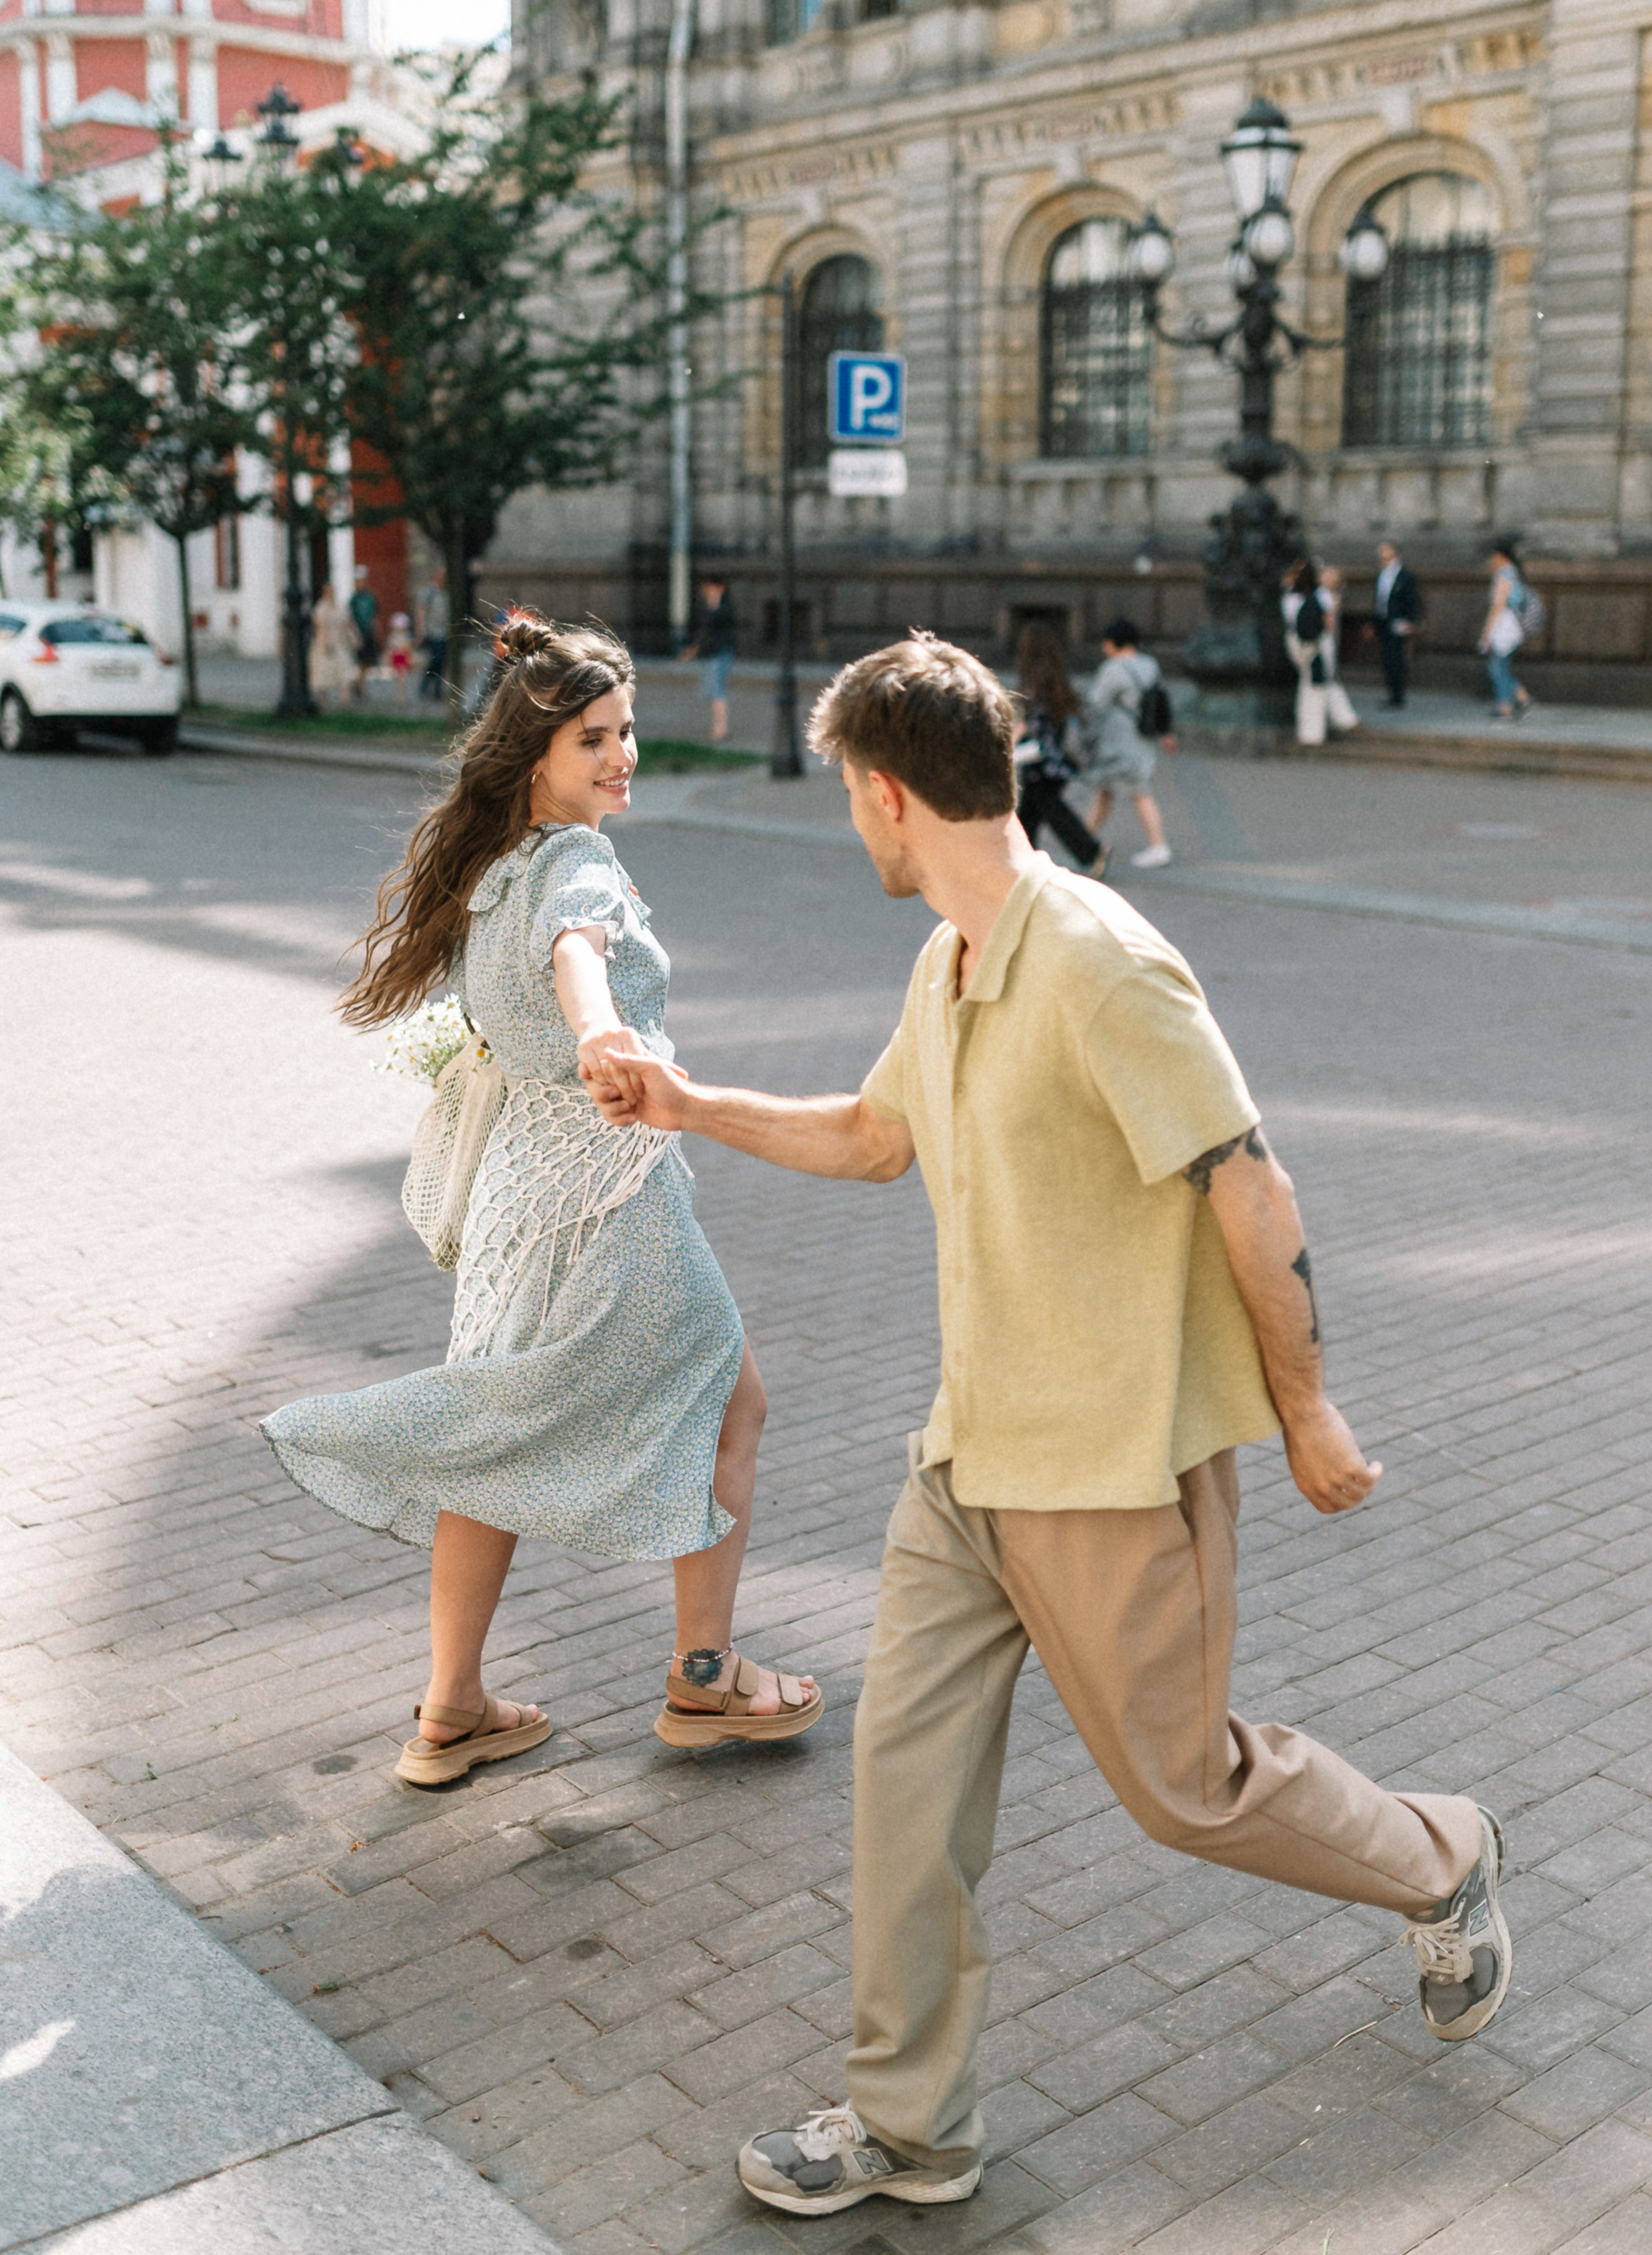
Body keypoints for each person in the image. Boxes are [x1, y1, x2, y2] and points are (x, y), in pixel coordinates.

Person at [589, 634, 1511, 2225]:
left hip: (1105, 1470)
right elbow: (880, 1133)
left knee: (1184, 1786)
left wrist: (1302, 1406)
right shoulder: (949, 956)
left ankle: (1437, 1852)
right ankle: (908, 2122)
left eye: (847, 801)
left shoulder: (1096, 958)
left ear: (886, 794)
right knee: (903, 1785)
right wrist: (690, 1100)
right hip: (963, 1461)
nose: (851, 827)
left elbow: (1247, 1178)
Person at [261, 618, 821, 1786]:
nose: (624, 758)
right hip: (611, 1185)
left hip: (520, 1194)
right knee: (731, 1404)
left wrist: (578, 1028)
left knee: (495, 1429)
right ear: (536, 756)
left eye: (626, 734)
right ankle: (706, 1680)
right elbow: (582, 949)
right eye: (596, 740)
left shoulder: (487, 872)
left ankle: (452, 1708)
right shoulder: (576, 865)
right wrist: (602, 1026)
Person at [1082, 616, 1175, 869]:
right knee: (1107, 790)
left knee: (1137, 792)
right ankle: (1082, 841)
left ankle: (1159, 847)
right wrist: (1167, 732)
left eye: (1106, 642)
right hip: (1144, 737)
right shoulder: (1150, 664)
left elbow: (1097, 703)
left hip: (1119, 740)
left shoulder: (1112, 670)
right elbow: (1160, 699)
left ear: (1113, 643)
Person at [1011, 622, 1103, 873]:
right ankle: (1022, 862)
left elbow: (1033, 726)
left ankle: (1092, 851)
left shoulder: (1033, 683)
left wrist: (1014, 740)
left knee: (1049, 810)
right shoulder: (1056, 677)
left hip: (1041, 761)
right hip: (1059, 759)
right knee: (1031, 812)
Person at [1282, 556, 1360, 747]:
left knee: (1317, 682)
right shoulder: (1320, 595)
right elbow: (1330, 623)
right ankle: (1313, 733)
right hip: (1315, 643)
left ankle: (1345, 719)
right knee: (1316, 685)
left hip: (1297, 641)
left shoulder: (1290, 594)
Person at [1480, 537, 1534, 720]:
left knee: (1497, 668)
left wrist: (1486, 634)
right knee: (1500, 667)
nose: (1491, 560)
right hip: (1511, 625)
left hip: (1504, 626)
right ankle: (1520, 698)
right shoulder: (1513, 573)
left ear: (1501, 557)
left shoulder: (1504, 575)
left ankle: (1506, 706)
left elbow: (1498, 606)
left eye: (1493, 556)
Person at [680, 576, 737, 743]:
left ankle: (721, 729)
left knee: (717, 691)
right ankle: (718, 727)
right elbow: (704, 632)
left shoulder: (722, 608)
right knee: (714, 692)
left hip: (719, 654)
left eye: (710, 588)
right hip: (712, 654)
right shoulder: (708, 608)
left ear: (719, 588)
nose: (706, 592)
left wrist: (692, 651)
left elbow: (712, 630)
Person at [1371, 538, 1422, 708]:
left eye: (1385, 550)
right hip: (1383, 621)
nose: (1382, 554)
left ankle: (1398, 696)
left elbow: (1413, 600)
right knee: (1387, 659)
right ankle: (1391, 693)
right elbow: (1379, 600)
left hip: (1399, 622)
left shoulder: (1405, 575)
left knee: (1396, 659)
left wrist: (1412, 621)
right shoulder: (1382, 574)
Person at [307, 582, 355, 711]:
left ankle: (345, 702)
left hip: (340, 643)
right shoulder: (321, 608)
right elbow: (319, 627)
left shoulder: (340, 607)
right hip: (325, 643)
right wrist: (324, 643)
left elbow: (347, 623)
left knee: (344, 671)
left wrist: (354, 638)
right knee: (323, 675)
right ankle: (320, 702)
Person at [348, 565, 380, 705]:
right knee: (361, 661)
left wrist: (378, 632)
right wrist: (355, 636)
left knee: (368, 662)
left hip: (369, 633)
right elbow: (351, 619)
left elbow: (374, 617)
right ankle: (361, 687)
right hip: (359, 634)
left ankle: (359, 684)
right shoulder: (354, 599)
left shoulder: (370, 597)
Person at [416, 565, 450, 700]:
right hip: (433, 632)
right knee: (436, 659)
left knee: (442, 661)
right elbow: (421, 611)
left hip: (445, 632)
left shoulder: (447, 593)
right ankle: (427, 682)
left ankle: (437, 689)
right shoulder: (429, 593)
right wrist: (421, 630)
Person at [386, 609, 414, 705]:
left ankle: (400, 693)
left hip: (403, 656)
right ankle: (398, 693)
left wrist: (410, 657)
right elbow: (390, 648)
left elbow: (409, 647)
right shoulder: (393, 636)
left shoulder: (406, 636)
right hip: (397, 656)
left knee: (402, 675)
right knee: (398, 675)